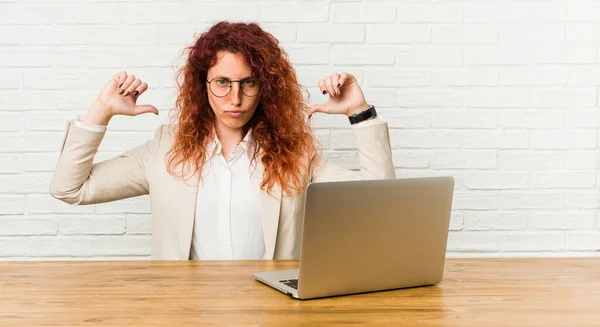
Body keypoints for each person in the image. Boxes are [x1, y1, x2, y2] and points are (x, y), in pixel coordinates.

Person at [49, 21, 395, 260]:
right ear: (203, 85)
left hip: (274, 315)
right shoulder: (164, 149)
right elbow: (69, 189)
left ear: (266, 87)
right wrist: (101, 111)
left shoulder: (296, 154)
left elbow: (381, 201)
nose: (236, 98)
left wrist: (359, 112)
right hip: (183, 315)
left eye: (249, 82)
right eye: (222, 82)